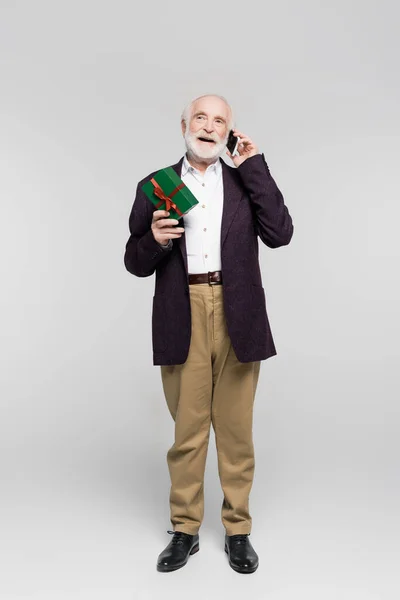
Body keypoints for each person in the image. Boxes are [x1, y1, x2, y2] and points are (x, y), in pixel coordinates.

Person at [124, 94, 294, 573]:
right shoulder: (155, 186)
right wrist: (153, 241)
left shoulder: (245, 182)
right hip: (183, 310)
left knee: (236, 431)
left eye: (220, 121)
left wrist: (255, 165)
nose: (210, 125)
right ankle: (185, 530)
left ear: (229, 133)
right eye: (201, 116)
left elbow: (281, 232)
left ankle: (238, 530)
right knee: (188, 431)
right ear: (184, 124)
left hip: (238, 311)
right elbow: (133, 261)